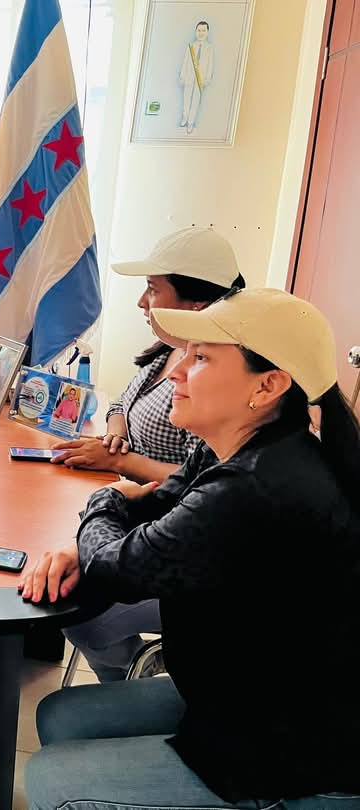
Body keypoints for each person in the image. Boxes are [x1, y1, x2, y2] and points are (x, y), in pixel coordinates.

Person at [19, 288, 360, 808]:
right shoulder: (237, 450)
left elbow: (117, 567)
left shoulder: (256, 486)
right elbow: (153, 510)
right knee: (59, 716)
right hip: (238, 700)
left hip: (287, 753)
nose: (176, 371)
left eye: (200, 358)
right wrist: (83, 540)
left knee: (51, 780)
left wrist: (105, 501)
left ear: (268, 385)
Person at [52, 226, 246, 681]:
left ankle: (133, 681)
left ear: (195, 304)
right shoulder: (171, 353)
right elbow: (122, 401)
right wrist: (115, 435)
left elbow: (197, 475)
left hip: (170, 542)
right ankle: (129, 680)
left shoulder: (216, 383)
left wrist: (119, 467)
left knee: (83, 611)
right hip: (140, 515)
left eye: (153, 289)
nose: (142, 302)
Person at [180, 20, 214, 134]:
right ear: (195, 31)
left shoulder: (209, 48)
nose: (201, 33)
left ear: (207, 32)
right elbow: (185, 61)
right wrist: (182, 75)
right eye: (199, 30)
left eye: (203, 30)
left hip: (201, 79)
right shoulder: (191, 46)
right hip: (189, 77)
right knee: (186, 99)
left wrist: (207, 79)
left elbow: (210, 64)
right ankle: (185, 117)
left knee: (195, 101)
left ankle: (190, 122)